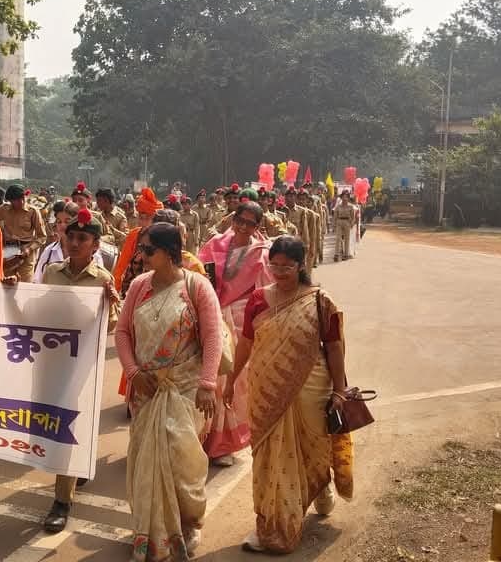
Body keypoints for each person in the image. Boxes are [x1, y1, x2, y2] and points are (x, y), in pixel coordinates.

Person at [225, 236, 353, 554]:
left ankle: (319, 487)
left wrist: (339, 390)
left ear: (301, 265)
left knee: (313, 446)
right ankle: (272, 525)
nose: (279, 272)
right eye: (274, 265)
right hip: (265, 389)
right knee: (270, 456)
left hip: (312, 387)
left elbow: (334, 348)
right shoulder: (258, 300)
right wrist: (230, 380)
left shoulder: (320, 301)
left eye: (287, 266)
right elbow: (245, 343)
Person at [115, 222, 220, 561]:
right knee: (144, 460)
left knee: (182, 461)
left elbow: (213, 338)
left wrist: (207, 384)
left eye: (148, 250)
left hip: (185, 388)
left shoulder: (196, 286)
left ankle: (189, 524)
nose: (141, 255)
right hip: (146, 388)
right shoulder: (138, 287)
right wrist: (132, 373)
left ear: (170, 252)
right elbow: (122, 334)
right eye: (140, 250)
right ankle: (150, 530)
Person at [37, 209, 121, 533]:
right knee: (56, 421)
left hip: (84, 363)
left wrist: (112, 303)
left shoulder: (102, 279)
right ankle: (80, 464)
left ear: (95, 245)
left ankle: (61, 500)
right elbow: (39, 311)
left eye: (82, 238)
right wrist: (12, 292)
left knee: (69, 425)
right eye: (70, 236)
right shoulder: (52, 273)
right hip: (53, 360)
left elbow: (111, 324)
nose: (74, 242)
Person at [197, 197, 271, 466]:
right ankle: (203, 439)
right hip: (211, 316)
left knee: (234, 383)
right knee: (208, 379)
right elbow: (198, 278)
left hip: (242, 322)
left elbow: (266, 295)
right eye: (239, 221)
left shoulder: (263, 253)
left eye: (250, 224)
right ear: (232, 219)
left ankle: (222, 444)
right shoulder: (213, 244)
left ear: (257, 226)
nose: (243, 227)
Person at [33, 201, 106, 282]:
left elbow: (98, 280)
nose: (62, 225)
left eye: (67, 221)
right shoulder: (49, 251)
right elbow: (38, 280)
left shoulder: (94, 255)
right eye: (59, 221)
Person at [0, 185, 48, 282]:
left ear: (24, 197)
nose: (19, 203)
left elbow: (42, 237)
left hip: (26, 253)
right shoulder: (4, 209)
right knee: (6, 283)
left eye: (21, 199)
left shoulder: (33, 212)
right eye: (14, 201)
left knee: (25, 285)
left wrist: (29, 249)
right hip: (9, 251)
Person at [113, 187, 162, 296]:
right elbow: (121, 265)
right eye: (141, 217)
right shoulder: (134, 235)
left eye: (147, 218)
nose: (143, 222)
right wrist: (115, 290)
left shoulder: (163, 237)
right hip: (134, 286)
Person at [333, 191, 354, 262]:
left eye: (346, 197)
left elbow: (352, 216)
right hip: (339, 222)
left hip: (347, 222)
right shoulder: (338, 206)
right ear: (341, 197)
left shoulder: (351, 207)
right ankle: (336, 254)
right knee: (338, 238)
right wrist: (334, 225)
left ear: (348, 198)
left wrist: (351, 224)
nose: (345, 198)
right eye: (343, 196)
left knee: (346, 239)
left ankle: (346, 255)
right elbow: (335, 216)